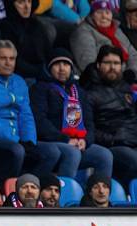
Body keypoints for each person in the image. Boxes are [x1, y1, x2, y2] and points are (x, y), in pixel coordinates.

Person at [0, 40, 75, 182]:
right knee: (17, 151)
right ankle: (7, 190)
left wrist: (29, 141)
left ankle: (30, 186)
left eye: (12, 59)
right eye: (3, 58)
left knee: (51, 152)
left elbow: (26, 115)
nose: (8, 63)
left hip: (20, 139)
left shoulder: (19, 81)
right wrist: (16, 140)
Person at [85, 45, 137, 187]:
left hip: (136, 143)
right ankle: (124, 195)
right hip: (113, 146)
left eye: (116, 63)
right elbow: (89, 128)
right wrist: (113, 139)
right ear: (98, 65)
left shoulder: (126, 88)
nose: (112, 67)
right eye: (107, 63)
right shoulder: (89, 92)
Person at [29, 49, 114, 181]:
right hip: (53, 141)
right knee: (72, 153)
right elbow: (39, 121)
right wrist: (66, 140)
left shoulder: (79, 91)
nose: (62, 68)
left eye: (66, 64)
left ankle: (96, 197)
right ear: (49, 68)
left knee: (104, 155)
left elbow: (89, 123)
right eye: (57, 64)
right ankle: (65, 197)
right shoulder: (40, 89)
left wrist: (85, 141)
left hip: (78, 142)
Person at [71, 0, 137, 79]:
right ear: (92, 15)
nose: (104, 16)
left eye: (107, 12)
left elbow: (133, 54)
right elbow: (88, 62)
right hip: (101, 80)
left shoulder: (116, 30)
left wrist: (132, 72)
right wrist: (115, 77)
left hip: (122, 78)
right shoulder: (83, 31)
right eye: (99, 13)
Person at [0, 0, 53, 79]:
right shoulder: (4, 27)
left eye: (29, 1)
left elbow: (48, 52)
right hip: (21, 77)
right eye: (21, 2)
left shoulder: (37, 25)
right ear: (11, 5)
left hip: (42, 73)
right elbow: (13, 61)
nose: (27, 7)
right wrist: (39, 72)